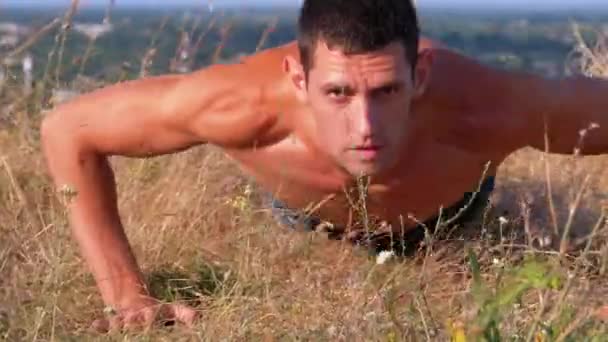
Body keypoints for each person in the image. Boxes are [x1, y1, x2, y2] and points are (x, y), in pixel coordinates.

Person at [40, 0, 608, 332]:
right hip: (306, 218)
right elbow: (67, 130)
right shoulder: (238, 106)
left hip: (454, 212)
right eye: (337, 93)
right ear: (298, 78)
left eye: (386, 91)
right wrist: (126, 296)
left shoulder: (491, 106)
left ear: (422, 75)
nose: (364, 126)